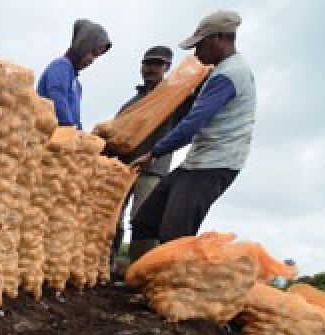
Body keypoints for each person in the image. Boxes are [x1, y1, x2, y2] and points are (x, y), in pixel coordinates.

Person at [128, 10, 256, 263]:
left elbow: (192, 124)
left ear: (220, 38)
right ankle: (140, 277)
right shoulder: (219, 72)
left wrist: (154, 153)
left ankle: (169, 292)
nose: (196, 53)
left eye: (200, 44)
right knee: (146, 220)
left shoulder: (229, 75)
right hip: (196, 161)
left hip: (215, 164)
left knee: (175, 233)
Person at [110, 45, 181, 274]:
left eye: (157, 64)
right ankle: (106, 265)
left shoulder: (174, 98)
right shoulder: (132, 102)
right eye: (148, 63)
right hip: (125, 166)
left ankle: (141, 272)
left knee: (143, 219)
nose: (151, 68)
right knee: (113, 217)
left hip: (152, 168)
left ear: (167, 67)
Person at [36, 19, 112, 129]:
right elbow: (57, 95)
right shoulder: (61, 65)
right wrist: (68, 128)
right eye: (93, 53)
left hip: (64, 138)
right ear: (83, 46)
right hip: (47, 134)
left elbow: (76, 119)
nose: (92, 60)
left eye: (97, 57)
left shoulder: (77, 85)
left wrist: (80, 135)